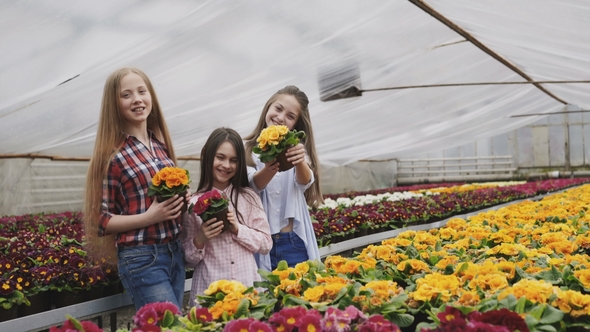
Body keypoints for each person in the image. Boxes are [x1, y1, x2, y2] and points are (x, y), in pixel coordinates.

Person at [83, 67, 186, 311]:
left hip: (174, 252)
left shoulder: (160, 147)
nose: (137, 99)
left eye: (142, 91)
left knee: (177, 326)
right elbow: (101, 221)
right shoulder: (112, 155)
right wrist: (150, 217)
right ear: (114, 104)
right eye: (126, 95)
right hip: (141, 258)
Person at [182, 127, 272, 306]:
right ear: (207, 156)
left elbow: (266, 244)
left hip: (247, 292)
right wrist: (200, 239)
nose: (226, 165)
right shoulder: (193, 204)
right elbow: (187, 259)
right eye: (220, 157)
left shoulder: (248, 197)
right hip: (209, 294)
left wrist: (238, 229)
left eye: (233, 160)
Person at [244, 85, 323, 272]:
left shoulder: (297, 150)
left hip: (292, 241)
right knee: (263, 297)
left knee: (297, 297)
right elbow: (252, 185)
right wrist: (271, 165)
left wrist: (299, 160)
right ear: (268, 107)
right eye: (278, 109)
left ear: (296, 124)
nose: (280, 118)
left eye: (290, 116)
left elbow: (305, 182)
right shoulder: (247, 149)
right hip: (259, 243)